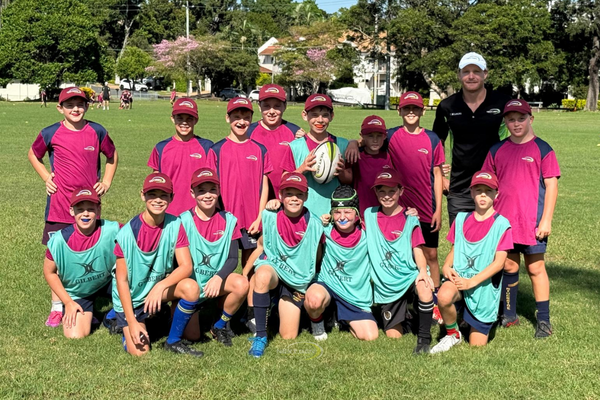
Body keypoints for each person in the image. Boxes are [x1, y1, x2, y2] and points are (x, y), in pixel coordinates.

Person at [28, 86, 118, 327]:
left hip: (87, 207)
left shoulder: (97, 131)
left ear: (87, 106)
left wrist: (106, 181)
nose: (75, 109)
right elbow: (33, 154)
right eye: (69, 105)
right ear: (60, 108)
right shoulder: (50, 132)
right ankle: (57, 307)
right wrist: (46, 177)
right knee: (58, 259)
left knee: (90, 252)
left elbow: (112, 155)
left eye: (80, 104)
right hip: (59, 207)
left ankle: (90, 294)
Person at [482, 100, 560, 338]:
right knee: (509, 265)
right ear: (505, 122)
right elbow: (487, 183)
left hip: (531, 221)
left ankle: (543, 320)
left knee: (535, 268)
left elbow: (552, 185)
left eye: (521, 119)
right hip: (504, 222)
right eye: (511, 119)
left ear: (531, 119)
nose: (516, 124)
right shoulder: (497, 150)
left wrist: (546, 220)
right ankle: (509, 315)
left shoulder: (543, 149)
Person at [112, 172, 202, 357]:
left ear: (171, 197)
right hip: (133, 298)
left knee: (191, 289)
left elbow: (186, 266)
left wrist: (160, 287)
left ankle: (173, 340)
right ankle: (124, 326)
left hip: (157, 292)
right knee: (141, 352)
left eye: (163, 195)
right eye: (152, 194)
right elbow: (121, 281)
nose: (158, 200)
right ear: (143, 195)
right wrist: (132, 322)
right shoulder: (127, 234)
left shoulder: (175, 224)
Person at [430, 171, 512, 353]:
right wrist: (446, 266)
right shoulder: (461, 219)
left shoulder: (502, 224)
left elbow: (499, 263)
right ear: (472, 192)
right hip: (459, 280)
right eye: (478, 190)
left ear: (496, 194)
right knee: (443, 296)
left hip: (482, 287)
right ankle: (453, 334)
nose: (483, 195)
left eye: (488, 191)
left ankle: (470, 320)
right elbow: (455, 249)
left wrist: (471, 282)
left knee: (476, 346)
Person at [248, 173, 324, 357]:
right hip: (273, 270)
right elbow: (261, 245)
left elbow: (317, 257)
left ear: (306, 196)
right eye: (289, 194)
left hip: (295, 280)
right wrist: (245, 273)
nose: (294, 198)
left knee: (288, 336)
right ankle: (261, 336)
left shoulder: (314, 224)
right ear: (281, 195)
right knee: (262, 275)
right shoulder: (270, 215)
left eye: (299, 194)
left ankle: (274, 306)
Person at [386, 92, 445, 323]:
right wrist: (354, 143)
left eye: (415, 108)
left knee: (431, 255)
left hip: (426, 207)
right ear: (399, 111)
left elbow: (438, 175)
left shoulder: (432, 139)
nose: (411, 112)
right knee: (403, 255)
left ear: (423, 111)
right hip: (399, 209)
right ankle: (404, 300)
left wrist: (438, 209)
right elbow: (366, 141)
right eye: (406, 108)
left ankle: (436, 301)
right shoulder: (390, 136)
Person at [432, 52, 511, 225]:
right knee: (460, 238)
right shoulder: (447, 106)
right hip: (459, 187)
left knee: (494, 239)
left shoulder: (503, 103)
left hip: (495, 185)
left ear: (485, 74)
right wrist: (442, 177)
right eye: (466, 71)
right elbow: (437, 142)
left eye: (476, 71)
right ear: (459, 75)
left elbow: (519, 137)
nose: (471, 76)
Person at [364, 168, 434, 354]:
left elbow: (417, 249)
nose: (387, 196)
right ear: (375, 192)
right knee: (394, 335)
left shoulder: (410, 218)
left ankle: (424, 339)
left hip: (408, 276)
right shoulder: (369, 215)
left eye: (392, 191)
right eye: (382, 191)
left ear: (401, 191)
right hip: (386, 285)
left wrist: (422, 271)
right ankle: (410, 315)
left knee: (424, 287)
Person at [179, 167, 249, 347]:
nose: (207, 195)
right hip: (191, 286)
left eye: (212, 190)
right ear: (192, 193)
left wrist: (218, 277)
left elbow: (233, 259)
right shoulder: (183, 221)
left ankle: (219, 324)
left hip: (216, 282)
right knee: (193, 336)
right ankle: (183, 308)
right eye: (201, 190)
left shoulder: (229, 220)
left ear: (219, 191)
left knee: (242, 284)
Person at [207, 97, 272, 276]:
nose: (241, 122)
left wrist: (259, 217)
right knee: (223, 264)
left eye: (246, 117)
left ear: (251, 119)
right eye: (236, 117)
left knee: (250, 266)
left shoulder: (260, 150)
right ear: (227, 118)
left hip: (252, 219)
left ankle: (248, 293)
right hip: (226, 219)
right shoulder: (216, 150)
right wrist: (218, 217)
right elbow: (211, 188)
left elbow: (264, 186)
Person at [43, 188, 119, 338]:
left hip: (108, 281)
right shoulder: (59, 241)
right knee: (75, 335)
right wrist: (68, 302)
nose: (85, 214)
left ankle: (111, 316)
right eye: (80, 209)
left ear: (98, 210)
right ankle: (91, 313)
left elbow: (137, 235)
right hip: (79, 290)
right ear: (72, 211)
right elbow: (49, 272)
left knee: (137, 291)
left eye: (90, 209)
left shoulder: (113, 229)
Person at [304, 186, 378, 342]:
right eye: (337, 212)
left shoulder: (368, 233)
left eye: (347, 212)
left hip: (354, 295)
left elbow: (389, 224)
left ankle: (340, 317)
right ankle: (317, 324)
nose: (342, 217)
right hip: (328, 284)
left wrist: (408, 213)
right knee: (314, 300)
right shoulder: (324, 230)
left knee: (370, 336)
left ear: (356, 213)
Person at [280, 94, 350, 217]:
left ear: (332, 116)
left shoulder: (343, 145)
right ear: (304, 115)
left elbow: (350, 180)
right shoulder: (295, 146)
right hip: (304, 213)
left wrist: (341, 172)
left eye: (325, 115)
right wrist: (302, 169)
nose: (320, 120)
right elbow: (284, 180)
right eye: (314, 115)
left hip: (334, 212)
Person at [148, 98, 213, 216]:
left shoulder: (207, 147)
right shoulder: (161, 148)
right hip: (169, 213)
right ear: (172, 119)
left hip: (199, 213)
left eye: (189, 118)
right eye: (180, 118)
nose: (184, 122)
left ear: (196, 120)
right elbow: (156, 182)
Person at [246, 84, 302, 196]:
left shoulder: (295, 132)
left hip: (286, 197)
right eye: (266, 106)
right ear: (259, 106)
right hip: (256, 196)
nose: (271, 111)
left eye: (277, 106)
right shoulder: (248, 132)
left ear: (284, 106)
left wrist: (304, 141)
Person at [348, 115, 392, 217]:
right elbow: (346, 179)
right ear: (362, 136)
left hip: (385, 214)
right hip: (362, 215)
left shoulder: (389, 157)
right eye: (370, 136)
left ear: (385, 136)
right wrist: (352, 142)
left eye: (379, 136)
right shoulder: (356, 156)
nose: (375, 140)